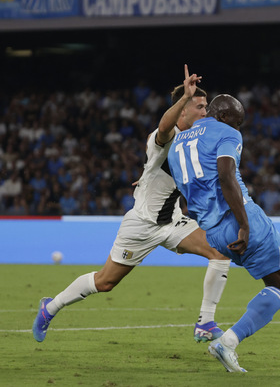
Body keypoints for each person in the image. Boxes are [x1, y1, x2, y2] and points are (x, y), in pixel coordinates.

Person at [32, 65, 231, 344]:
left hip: (172, 222)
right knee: (105, 282)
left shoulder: (195, 142)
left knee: (219, 251)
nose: (205, 111)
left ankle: (205, 323)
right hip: (142, 224)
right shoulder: (164, 136)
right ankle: (50, 308)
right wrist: (185, 97)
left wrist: (149, 178)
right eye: (199, 106)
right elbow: (163, 131)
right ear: (183, 109)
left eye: (205, 106)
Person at [168, 94, 280, 372]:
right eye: (237, 122)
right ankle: (228, 342)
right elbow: (225, 175)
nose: (238, 128)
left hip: (213, 232)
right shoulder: (227, 133)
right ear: (224, 117)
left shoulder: (177, 143)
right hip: (238, 219)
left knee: (275, 280)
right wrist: (244, 223)